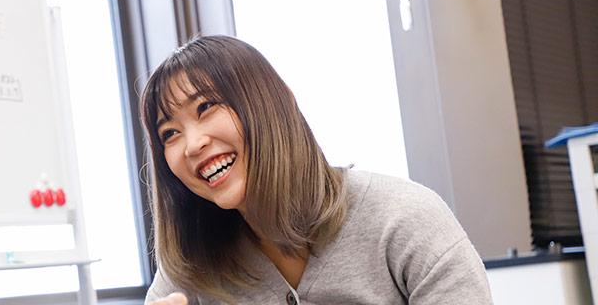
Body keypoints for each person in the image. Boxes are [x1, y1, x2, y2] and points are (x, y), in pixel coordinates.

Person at [141, 35, 491, 304]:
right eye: (169, 133)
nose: (192, 145)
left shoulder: (404, 219)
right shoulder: (189, 266)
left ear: (278, 101)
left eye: (206, 107)